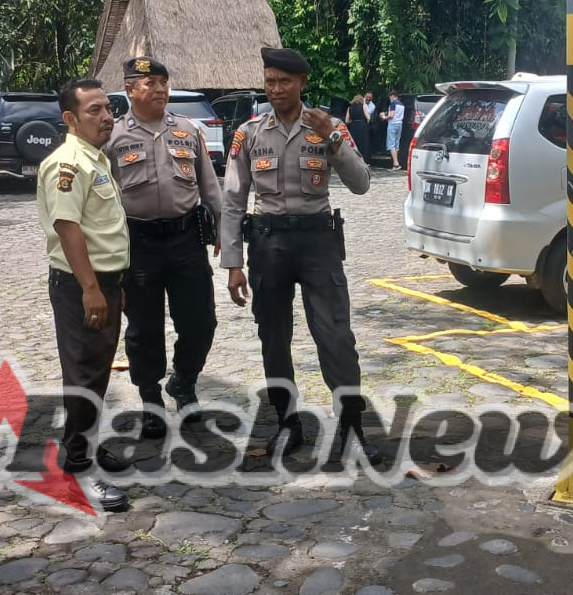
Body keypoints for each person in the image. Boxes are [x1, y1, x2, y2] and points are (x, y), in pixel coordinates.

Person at [220, 47, 384, 464]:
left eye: (284, 82)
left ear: (301, 84)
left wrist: (332, 136)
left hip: (318, 243)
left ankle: (350, 426)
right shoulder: (250, 132)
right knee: (273, 338)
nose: (276, 89)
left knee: (336, 337)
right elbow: (234, 199)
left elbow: (362, 182)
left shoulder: (328, 127)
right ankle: (287, 423)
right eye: (270, 81)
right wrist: (233, 263)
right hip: (269, 244)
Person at [105, 56, 224, 440]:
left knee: (201, 320)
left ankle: (184, 381)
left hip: (186, 239)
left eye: (162, 82)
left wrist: (223, 228)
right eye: (149, 83)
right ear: (129, 89)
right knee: (143, 327)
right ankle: (150, 397)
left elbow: (209, 185)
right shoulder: (113, 137)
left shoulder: (187, 131)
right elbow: (104, 199)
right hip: (137, 243)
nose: (159, 89)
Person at [37, 77, 129, 511]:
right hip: (83, 286)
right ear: (70, 119)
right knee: (85, 376)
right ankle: (78, 467)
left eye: (108, 108)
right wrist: (91, 289)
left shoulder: (94, 157)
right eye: (94, 110)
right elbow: (67, 227)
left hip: (105, 282)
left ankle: (84, 446)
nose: (106, 116)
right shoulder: (68, 164)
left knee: (96, 372)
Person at [346, 94, 372, 164]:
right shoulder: (363, 106)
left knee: (354, 142)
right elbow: (368, 117)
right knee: (364, 142)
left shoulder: (349, 108)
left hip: (353, 126)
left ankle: (353, 159)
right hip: (362, 125)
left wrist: (352, 121)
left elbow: (347, 121)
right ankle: (364, 160)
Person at [384, 92, 407, 170]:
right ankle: (395, 163)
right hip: (400, 124)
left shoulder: (393, 104)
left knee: (391, 144)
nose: (389, 99)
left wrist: (384, 117)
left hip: (393, 124)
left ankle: (396, 163)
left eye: (390, 97)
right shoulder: (402, 105)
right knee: (396, 144)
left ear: (393, 96)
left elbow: (391, 115)